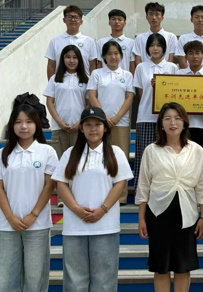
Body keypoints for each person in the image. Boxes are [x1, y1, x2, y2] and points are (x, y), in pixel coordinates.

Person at [52, 107, 132, 292]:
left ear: (105, 128)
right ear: (81, 128)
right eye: (88, 124)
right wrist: (76, 209)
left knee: (104, 278)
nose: (93, 129)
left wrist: (103, 209)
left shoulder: (115, 152)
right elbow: (61, 184)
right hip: (75, 227)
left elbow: (120, 183)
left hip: (105, 226)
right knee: (75, 279)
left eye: (97, 124)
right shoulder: (70, 154)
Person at [136, 102, 203, 292]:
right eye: (167, 118)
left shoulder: (196, 150)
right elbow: (144, 186)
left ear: (185, 121)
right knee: (161, 268)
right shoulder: (151, 151)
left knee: (182, 268)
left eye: (177, 118)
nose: (173, 122)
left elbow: (202, 184)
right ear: (161, 124)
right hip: (158, 213)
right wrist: (141, 217)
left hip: (187, 214)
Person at [0, 105, 58, 292]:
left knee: (35, 276)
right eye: (18, 122)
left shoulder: (47, 152)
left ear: (37, 124)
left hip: (37, 225)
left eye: (29, 121)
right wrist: (10, 216)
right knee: (6, 277)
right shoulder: (3, 154)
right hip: (8, 226)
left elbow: (49, 186)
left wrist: (33, 214)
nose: (24, 126)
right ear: (12, 125)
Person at [87, 40, 134, 204]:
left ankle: (121, 196)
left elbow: (129, 98)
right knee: (101, 158)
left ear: (121, 55)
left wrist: (117, 117)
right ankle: (101, 194)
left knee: (120, 159)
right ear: (104, 57)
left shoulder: (127, 75)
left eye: (116, 53)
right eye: (109, 54)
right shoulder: (97, 74)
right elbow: (92, 95)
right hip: (100, 124)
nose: (113, 57)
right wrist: (103, 117)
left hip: (121, 123)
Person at [133, 33, 179, 190]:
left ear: (164, 48)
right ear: (147, 48)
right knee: (144, 156)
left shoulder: (172, 67)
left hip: (167, 119)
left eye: (158, 45)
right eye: (152, 45)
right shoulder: (141, 67)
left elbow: (175, 93)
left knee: (165, 156)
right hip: (146, 116)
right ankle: (142, 192)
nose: (155, 48)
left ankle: (164, 189)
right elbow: (141, 94)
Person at [44, 45, 89, 160]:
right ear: (62, 59)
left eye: (75, 57)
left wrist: (80, 122)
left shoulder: (86, 79)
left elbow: (89, 104)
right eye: (68, 57)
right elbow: (49, 102)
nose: (71, 60)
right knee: (59, 162)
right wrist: (59, 122)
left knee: (78, 162)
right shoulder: (55, 78)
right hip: (59, 128)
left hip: (79, 128)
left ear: (80, 59)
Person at [176, 40, 203, 159]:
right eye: (191, 53)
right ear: (185, 57)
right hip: (182, 125)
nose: (194, 56)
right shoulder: (178, 74)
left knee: (201, 160)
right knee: (182, 159)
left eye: (198, 53)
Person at [45, 5, 97, 78]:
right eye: (69, 17)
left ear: (81, 21)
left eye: (76, 17)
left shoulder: (89, 41)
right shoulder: (55, 41)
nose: (72, 20)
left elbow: (93, 65)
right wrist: (52, 83)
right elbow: (51, 65)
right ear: (64, 20)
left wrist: (92, 83)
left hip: (83, 82)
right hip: (61, 82)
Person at [175, 5, 203, 72]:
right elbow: (182, 62)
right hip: (187, 76)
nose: (200, 20)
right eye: (197, 17)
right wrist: (191, 75)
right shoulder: (183, 38)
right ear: (191, 19)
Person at [96, 9, 135, 74]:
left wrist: (131, 78)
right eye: (113, 19)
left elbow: (132, 63)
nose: (116, 22)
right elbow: (99, 62)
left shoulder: (131, 43)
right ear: (109, 22)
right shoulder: (101, 42)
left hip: (124, 78)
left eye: (120, 19)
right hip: (105, 78)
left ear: (125, 23)